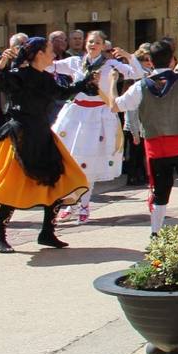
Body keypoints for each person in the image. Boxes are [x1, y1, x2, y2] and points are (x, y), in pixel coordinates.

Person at [0, 38, 92, 253]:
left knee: (57, 181)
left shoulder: (45, 78)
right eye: (50, 51)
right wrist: (3, 63)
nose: (54, 55)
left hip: (42, 134)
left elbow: (62, 93)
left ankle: (47, 232)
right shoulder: (18, 75)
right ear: (39, 54)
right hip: (19, 136)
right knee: (11, 186)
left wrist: (86, 81)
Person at [113, 39, 178, 235]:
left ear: (150, 61)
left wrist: (111, 83)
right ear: (172, 60)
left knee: (159, 192)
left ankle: (155, 232)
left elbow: (116, 105)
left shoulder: (139, 87)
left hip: (155, 147)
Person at [49, 31, 141, 223]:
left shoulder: (110, 64)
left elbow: (138, 73)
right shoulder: (74, 62)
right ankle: (70, 204)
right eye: (91, 41)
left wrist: (129, 56)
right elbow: (50, 66)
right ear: (85, 43)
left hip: (98, 116)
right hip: (75, 115)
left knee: (87, 163)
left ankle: (84, 205)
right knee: (69, 161)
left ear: (103, 46)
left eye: (97, 42)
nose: (93, 45)